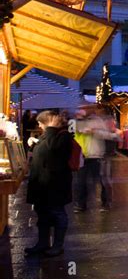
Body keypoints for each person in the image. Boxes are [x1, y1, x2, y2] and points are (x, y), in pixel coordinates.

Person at [25, 110, 73, 257]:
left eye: (40, 123)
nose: (39, 126)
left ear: (47, 122)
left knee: (57, 213)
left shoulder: (63, 136)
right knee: (43, 214)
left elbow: (53, 149)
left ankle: (57, 246)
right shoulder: (48, 135)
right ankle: (42, 243)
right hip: (42, 184)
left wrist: (51, 128)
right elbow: (44, 152)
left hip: (55, 184)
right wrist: (33, 144)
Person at [74, 107, 119, 212]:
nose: (82, 111)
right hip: (82, 156)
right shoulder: (76, 122)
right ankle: (80, 205)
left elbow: (109, 135)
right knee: (80, 182)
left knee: (101, 181)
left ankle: (106, 203)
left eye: (84, 108)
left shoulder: (97, 121)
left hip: (97, 156)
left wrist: (95, 132)